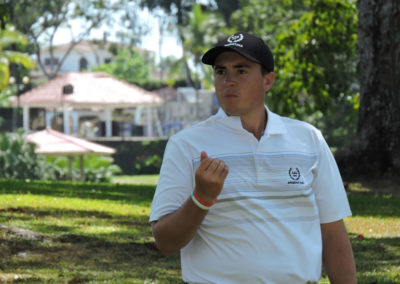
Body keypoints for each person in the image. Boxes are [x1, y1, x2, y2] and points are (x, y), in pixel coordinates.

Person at [149, 32, 357, 284]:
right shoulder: (186, 144)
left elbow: (333, 234)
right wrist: (201, 199)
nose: (228, 81)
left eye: (241, 71)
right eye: (221, 72)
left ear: (267, 80)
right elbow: (166, 242)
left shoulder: (308, 139)